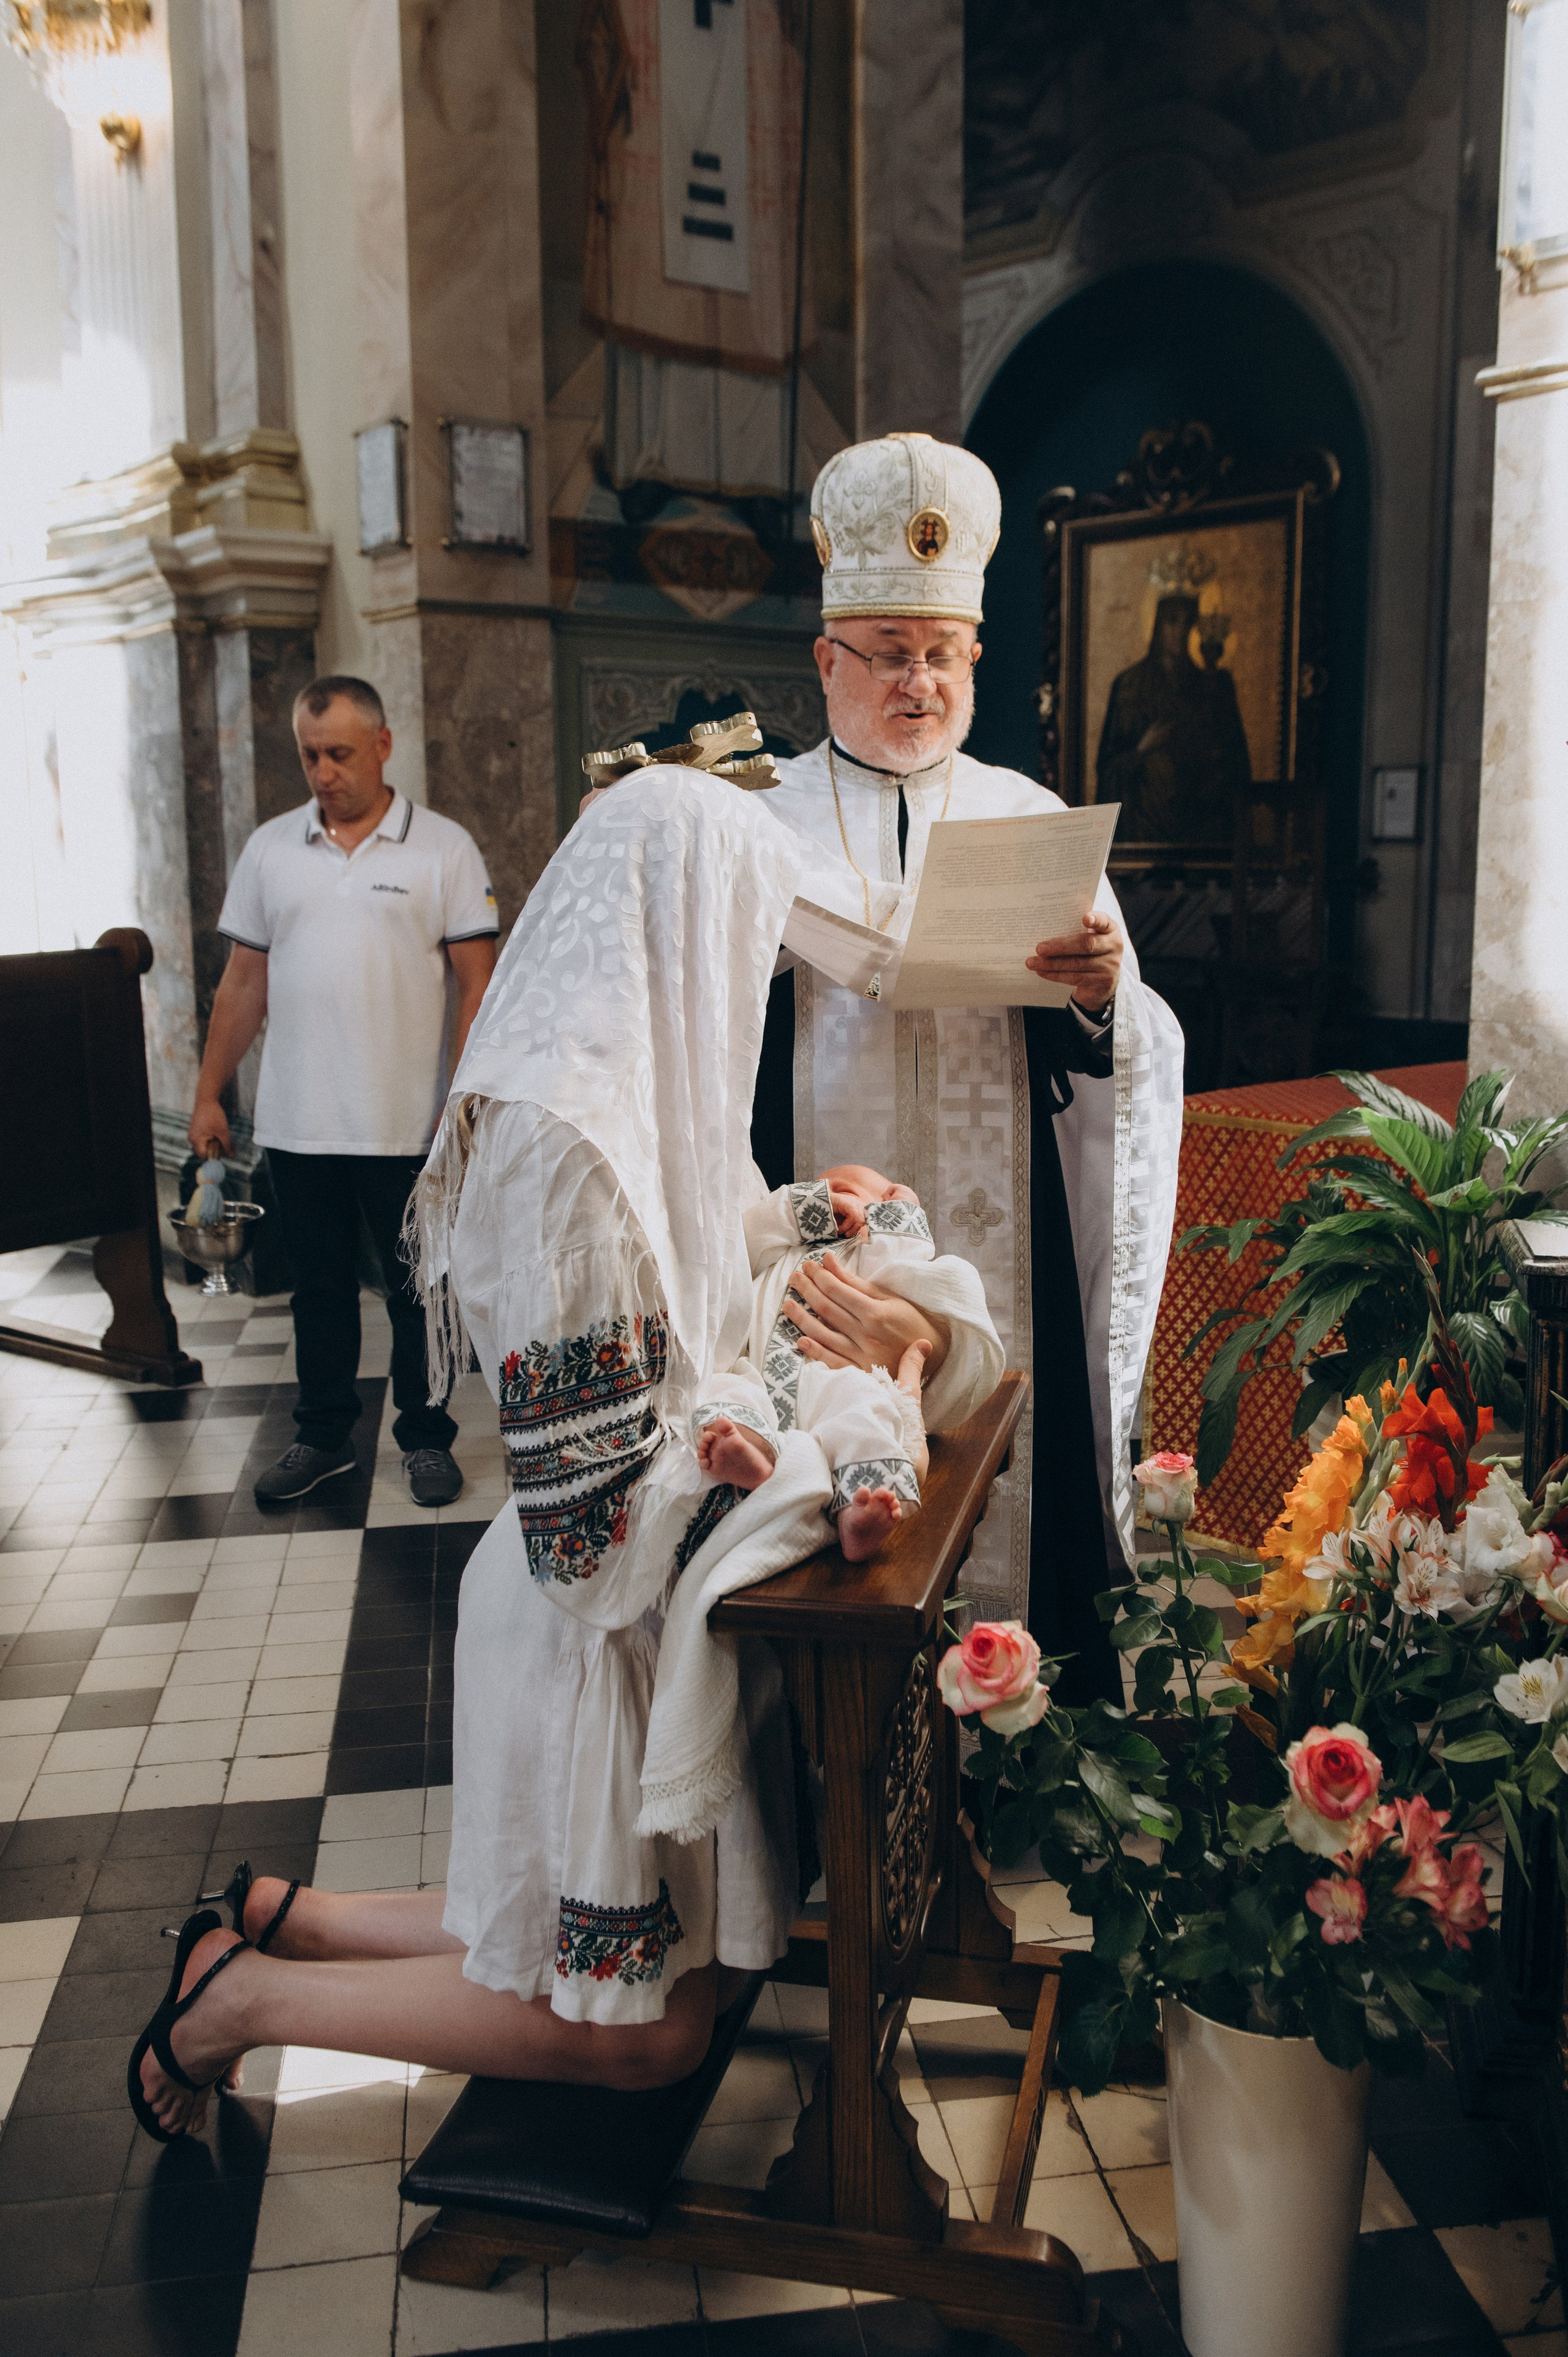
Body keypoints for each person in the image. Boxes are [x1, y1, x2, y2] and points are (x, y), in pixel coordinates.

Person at [130, 775, 864, 2137]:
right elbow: (589, 1538)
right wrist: (792, 1442)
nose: (752, 979)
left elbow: (687, 1255)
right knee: (643, 2038)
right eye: (744, 941)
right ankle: (239, 2000)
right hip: (591, 1638)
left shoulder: (618, 1077)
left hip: (623, 1622)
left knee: (543, 1931)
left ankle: (289, 1916)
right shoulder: (560, 1145)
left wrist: (812, 1219)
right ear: (671, 926)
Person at [755, 432, 1186, 1703]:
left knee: (1017, 1469)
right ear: (826, 660)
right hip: (816, 1214)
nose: (916, 683)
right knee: (825, 1485)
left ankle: (1014, 1739)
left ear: (976, 660)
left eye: (941, 656)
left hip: (1007, 1229)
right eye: (887, 654)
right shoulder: (749, 819)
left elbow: (1119, 1051)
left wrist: (1103, 994)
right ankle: (829, 1754)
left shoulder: (1022, 815)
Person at [188, 676, 499, 1508]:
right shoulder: (272, 850)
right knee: (318, 1291)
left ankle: (426, 1439)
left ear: (384, 746)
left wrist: (461, 1102)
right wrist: (210, 1093)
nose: (324, 772)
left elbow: (479, 985)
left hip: (407, 1125)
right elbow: (243, 983)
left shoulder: (443, 849)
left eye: (340, 754)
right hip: (298, 1123)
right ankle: (321, 1436)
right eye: (310, 755)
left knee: (415, 1295)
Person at [696, 1161, 1004, 1560]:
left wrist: (900, 1210)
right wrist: (799, 1208)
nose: (832, 1191)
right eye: (819, 1188)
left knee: (864, 1412)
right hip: (752, 1365)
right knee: (723, 1388)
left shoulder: (871, 1256)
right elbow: (742, 1244)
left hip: (833, 1377)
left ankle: (860, 1513)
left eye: (857, 1188)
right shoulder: (781, 1250)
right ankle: (752, 1454)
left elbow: (905, 1256)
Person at [1096, 593, 1251, 845]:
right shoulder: (1129, 685)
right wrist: (1141, 750)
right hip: (1145, 823)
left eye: (1186, 623)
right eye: (1172, 622)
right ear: (1157, 625)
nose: (1179, 632)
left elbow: (1234, 761)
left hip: (1198, 821)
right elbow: (1108, 767)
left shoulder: (1209, 685)